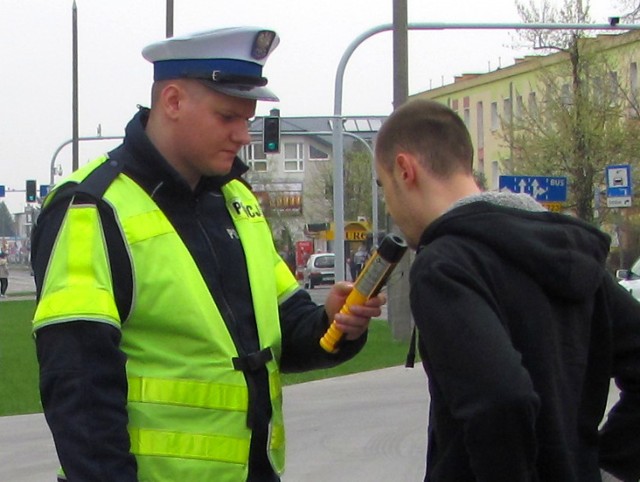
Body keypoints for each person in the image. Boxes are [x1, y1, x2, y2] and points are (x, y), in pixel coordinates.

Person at [31, 27, 384, 482]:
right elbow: (79, 386)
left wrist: (336, 323)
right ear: (173, 102)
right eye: (227, 117)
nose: (243, 135)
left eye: (249, 119)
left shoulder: (237, 202)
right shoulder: (92, 208)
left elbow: (283, 329)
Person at [374, 98, 640, 482]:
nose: (389, 204)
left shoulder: (444, 266)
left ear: (404, 169)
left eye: (384, 186)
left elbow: (501, 400)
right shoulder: (569, 252)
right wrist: (607, 466)